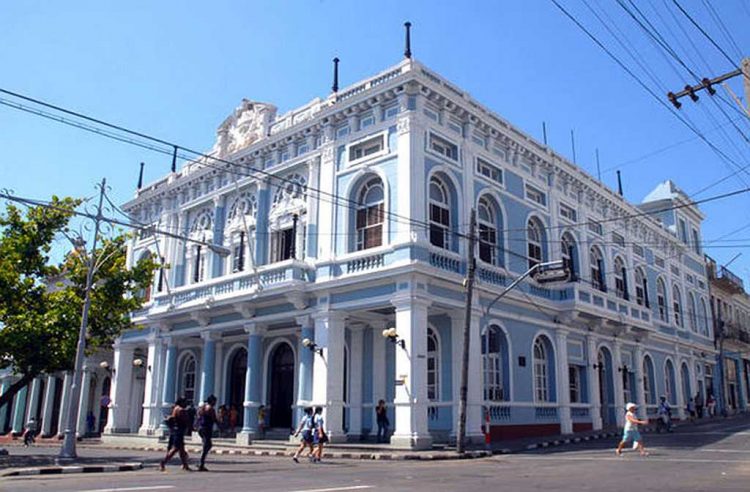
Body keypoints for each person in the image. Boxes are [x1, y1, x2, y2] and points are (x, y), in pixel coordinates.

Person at [160, 397, 192, 472]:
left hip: (175, 430)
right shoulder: (181, 410)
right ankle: (163, 462)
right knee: (175, 449)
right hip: (179, 431)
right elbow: (186, 420)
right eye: (185, 402)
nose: (186, 404)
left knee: (181, 449)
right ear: (181, 402)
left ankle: (185, 465)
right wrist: (191, 427)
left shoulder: (175, 408)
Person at [196, 395, 217, 472]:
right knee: (207, 445)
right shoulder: (210, 408)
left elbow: (198, 416)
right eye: (214, 401)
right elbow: (214, 419)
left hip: (200, 428)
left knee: (207, 445)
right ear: (212, 401)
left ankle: (201, 462)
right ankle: (201, 463)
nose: (215, 403)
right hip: (206, 428)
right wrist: (221, 426)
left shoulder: (202, 407)